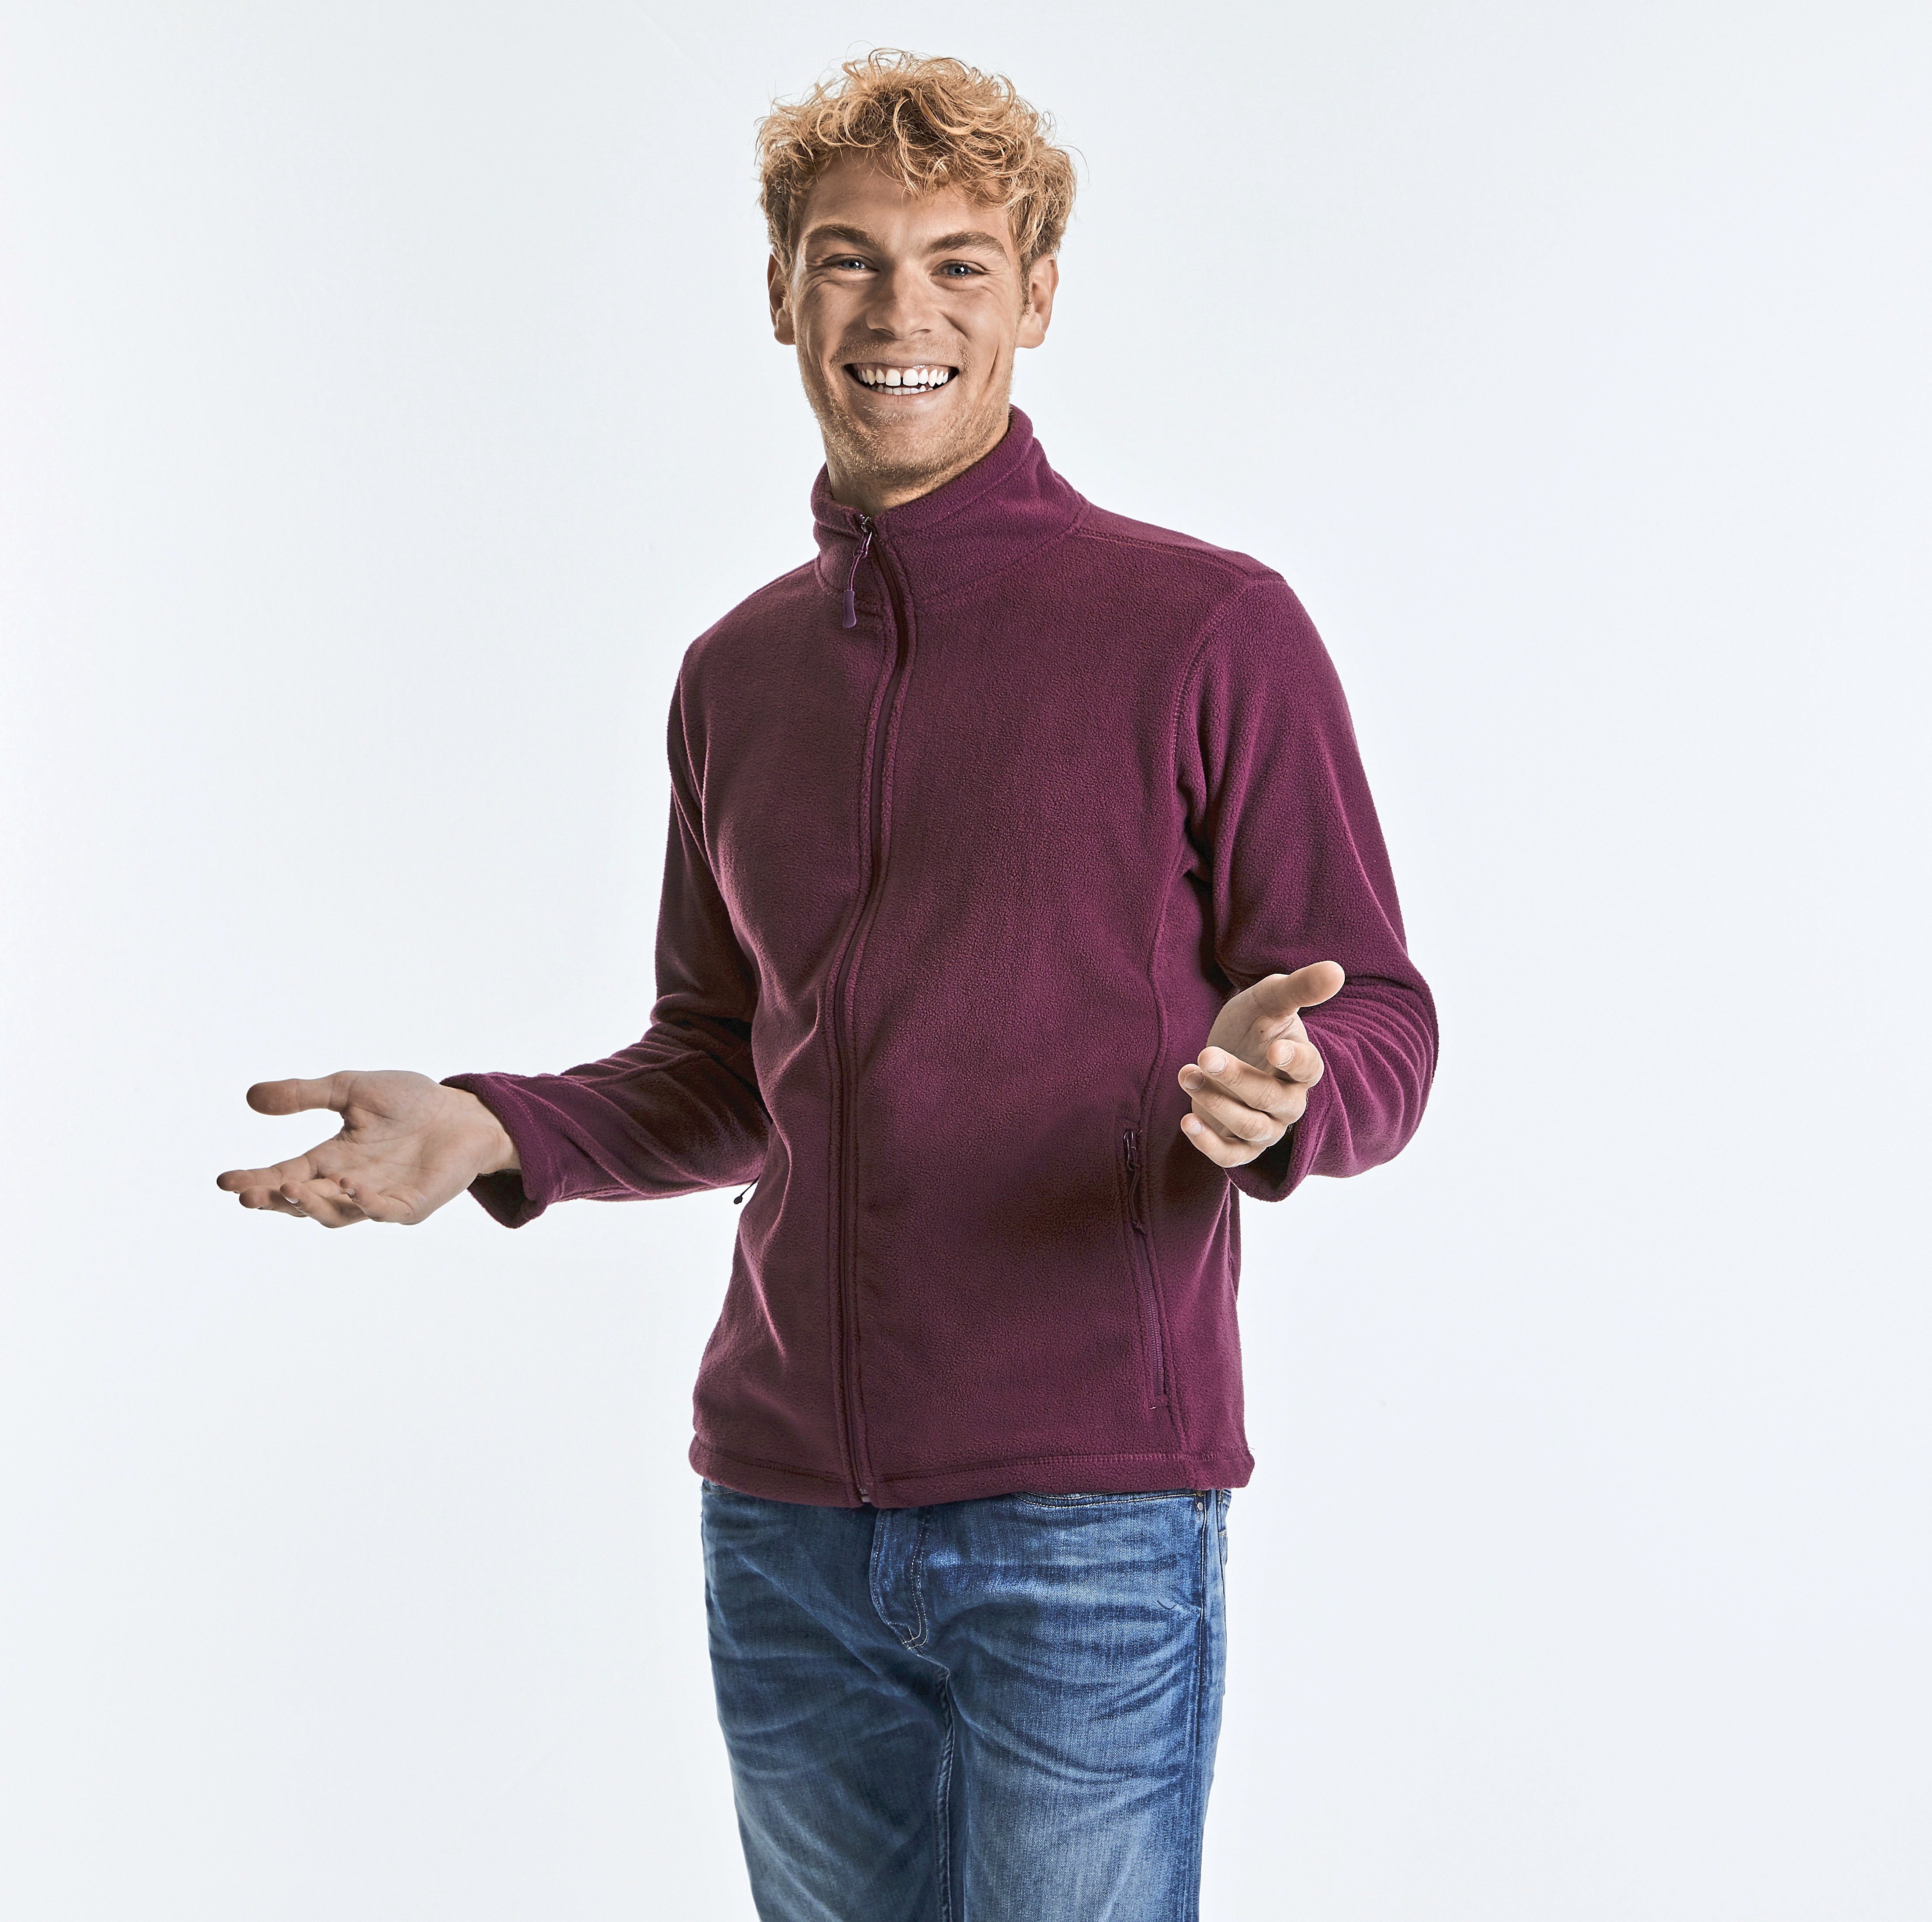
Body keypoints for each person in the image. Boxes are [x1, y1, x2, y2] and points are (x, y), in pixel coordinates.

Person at [217, 49, 1436, 1922]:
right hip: (782, 1519)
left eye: (959, 264)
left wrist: (1296, 1090)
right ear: (780, 291)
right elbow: (725, 1065)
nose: (899, 313)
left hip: (1085, 1513)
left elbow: (1379, 1020)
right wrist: (485, 1127)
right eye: (850, 259)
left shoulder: (1206, 627)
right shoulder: (736, 674)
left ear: (1037, 296)